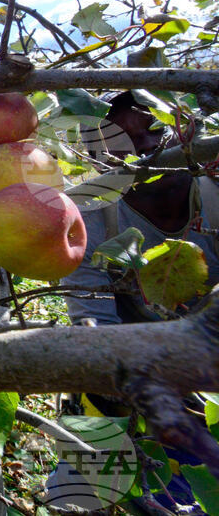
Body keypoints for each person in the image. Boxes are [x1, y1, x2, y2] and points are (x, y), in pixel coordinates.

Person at [52, 90, 218, 513]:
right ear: (95, 158)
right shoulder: (86, 217)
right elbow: (94, 328)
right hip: (127, 383)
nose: (143, 148)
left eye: (156, 130)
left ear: (188, 130)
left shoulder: (216, 194)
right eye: (117, 144)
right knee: (76, 493)